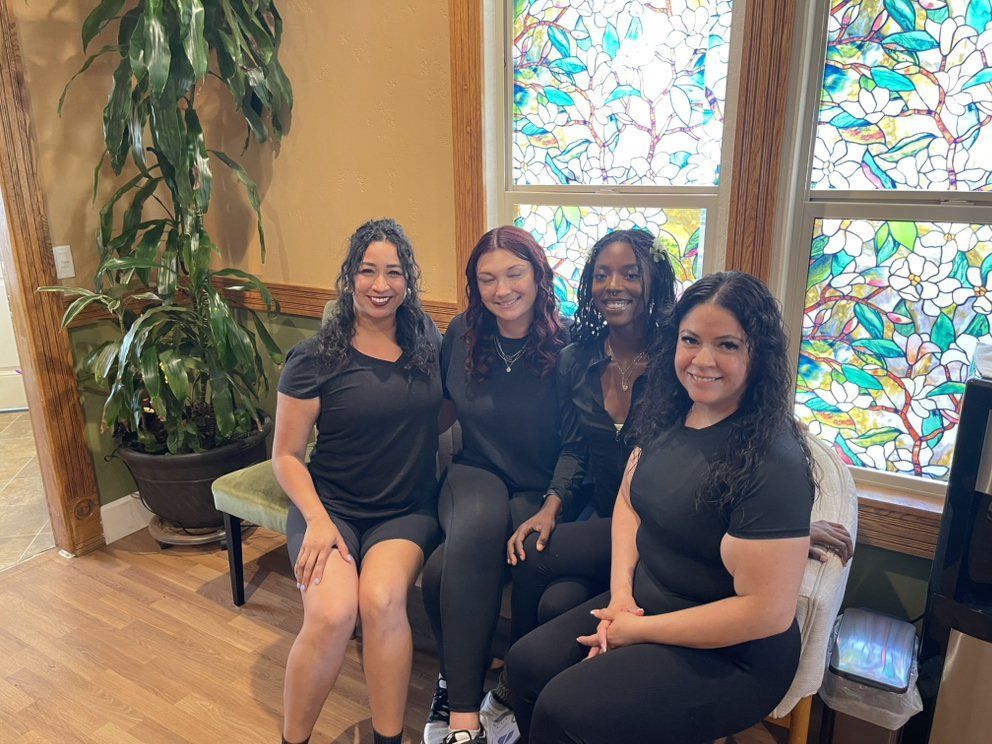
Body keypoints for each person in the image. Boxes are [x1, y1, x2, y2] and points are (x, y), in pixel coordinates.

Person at [505, 271, 827, 744]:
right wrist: (620, 599)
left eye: (728, 345)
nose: (703, 360)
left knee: (564, 710)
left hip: (733, 654)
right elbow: (629, 504)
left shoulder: (773, 461)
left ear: (759, 354)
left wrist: (637, 631)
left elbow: (765, 613)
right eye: (691, 340)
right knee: (526, 666)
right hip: (647, 603)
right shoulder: (670, 412)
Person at [507, 237, 853, 646]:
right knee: (536, 562)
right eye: (602, 275)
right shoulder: (577, 359)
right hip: (609, 514)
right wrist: (552, 506)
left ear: (654, 282)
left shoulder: (683, 359)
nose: (613, 285)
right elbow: (575, 447)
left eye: (630, 274)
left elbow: (748, 438)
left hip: (674, 525)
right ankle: (516, 683)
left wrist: (791, 532)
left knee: (558, 604)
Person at [274, 219, 443, 744]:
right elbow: (285, 456)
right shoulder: (314, 358)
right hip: (330, 511)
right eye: (368, 270)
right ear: (349, 278)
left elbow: (442, 415)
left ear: (408, 282)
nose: (380, 284)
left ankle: (387, 739)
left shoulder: (427, 343)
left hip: (405, 511)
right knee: (331, 614)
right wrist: (319, 522)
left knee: (383, 601)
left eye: (394, 272)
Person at [420, 225, 570, 744]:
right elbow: (438, 410)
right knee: (474, 530)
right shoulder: (462, 332)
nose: (501, 289)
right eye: (487, 278)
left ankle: (507, 689)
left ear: (537, 276)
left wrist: (554, 502)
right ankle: (461, 711)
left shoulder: (567, 342)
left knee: (447, 571)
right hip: (477, 469)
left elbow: (580, 439)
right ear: (474, 284)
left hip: (541, 485)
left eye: (514, 274)